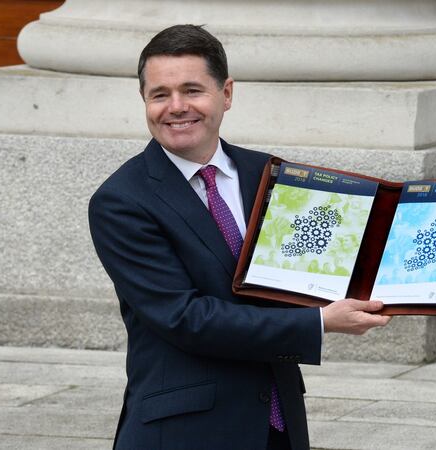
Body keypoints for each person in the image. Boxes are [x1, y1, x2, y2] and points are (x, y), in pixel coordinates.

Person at [88, 24, 390, 450]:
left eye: (192, 90)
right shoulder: (121, 201)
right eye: (160, 94)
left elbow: (303, 268)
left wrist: (381, 277)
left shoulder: (269, 174)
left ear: (226, 94)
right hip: (183, 430)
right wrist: (321, 321)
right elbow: (185, 318)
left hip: (276, 421)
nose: (176, 107)